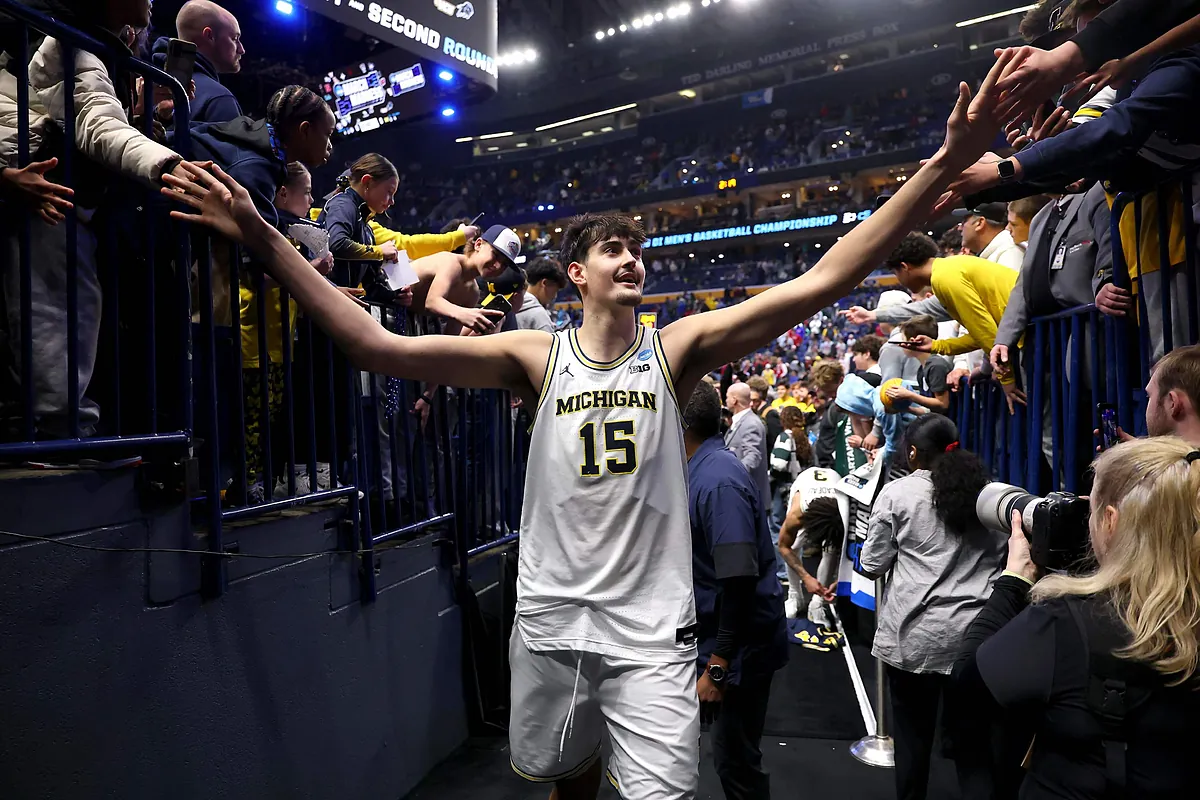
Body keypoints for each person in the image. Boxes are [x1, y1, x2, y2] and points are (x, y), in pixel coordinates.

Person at [161, 62, 1009, 797]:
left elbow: (825, 276)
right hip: (554, 621)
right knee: (565, 777)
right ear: (577, 274)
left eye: (639, 248)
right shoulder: (535, 354)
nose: (633, 256)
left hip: (650, 632)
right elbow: (372, 342)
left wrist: (940, 163)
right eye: (614, 248)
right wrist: (261, 236)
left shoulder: (678, 348)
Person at [951, 436, 1200, 800]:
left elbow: (968, 683)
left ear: (1112, 522)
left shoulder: (1064, 622)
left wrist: (1014, 581)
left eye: (1093, 510)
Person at [0, 0, 194, 438]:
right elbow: (98, 124)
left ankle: (62, 429)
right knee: (54, 316)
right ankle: (59, 433)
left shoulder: (76, 44)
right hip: (46, 200)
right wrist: (166, 163)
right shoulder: (65, 43)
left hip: (59, 201)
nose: (150, 1)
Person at [858, 415, 1005, 800]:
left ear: (912, 453)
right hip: (976, 640)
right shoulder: (990, 493)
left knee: (912, 744)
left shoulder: (898, 494)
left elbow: (872, 564)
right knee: (974, 749)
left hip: (915, 638)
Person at [683, 381, 788, 800]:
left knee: (735, 762)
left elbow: (738, 580)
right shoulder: (701, 468)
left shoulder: (719, 481)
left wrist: (718, 665)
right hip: (719, 640)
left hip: (738, 651)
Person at [885, 232, 1019, 387]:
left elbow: (987, 333)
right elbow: (980, 335)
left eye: (895, 273)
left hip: (1030, 338)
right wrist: (936, 346)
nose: (898, 280)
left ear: (904, 267)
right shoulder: (948, 269)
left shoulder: (944, 278)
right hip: (1024, 335)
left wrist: (1007, 380)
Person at [190, 84, 335, 227]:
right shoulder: (254, 172)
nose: (330, 145)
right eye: (328, 134)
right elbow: (259, 241)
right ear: (305, 130)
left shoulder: (247, 133)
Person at [152, 0, 244, 124]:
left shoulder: (144, 91)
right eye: (235, 39)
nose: (241, 49)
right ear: (209, 35)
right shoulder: (219, 99)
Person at [777, 474, 842, 622]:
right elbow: (783, 546)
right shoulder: (797, 514)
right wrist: (806, 577)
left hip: (833, 496)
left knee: (830, 550)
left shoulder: (844, 512)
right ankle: (795, 596)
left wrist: (840, 580)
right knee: (793, 546)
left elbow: (851, 553)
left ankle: (817, 603)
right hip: (804, 483)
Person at [885, 316, 953, 415]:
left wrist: (909, 395)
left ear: (912, 341)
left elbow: (942, 404)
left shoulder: (936, 366)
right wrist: (905, 408)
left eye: (903, 339)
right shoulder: (922, 368)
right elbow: (930, 410)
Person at [725, 382, 772, 517]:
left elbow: (753, 457)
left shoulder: (751, 424)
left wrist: (729, 477)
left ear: (734, 400)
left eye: (728, 397)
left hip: (749, 499)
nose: (726, 400)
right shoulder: (740, 422)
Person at [953, 202, 1025, 270]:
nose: (959, 228)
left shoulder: (1009, 253)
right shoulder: (998, 251)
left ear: (980, 223)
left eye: (964, 221)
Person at [515, 257, 567, 333]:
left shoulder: (512, 303)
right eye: (555, 290)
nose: (555, 296)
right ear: (544, 283)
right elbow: (551, 344)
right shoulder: (539, 316)